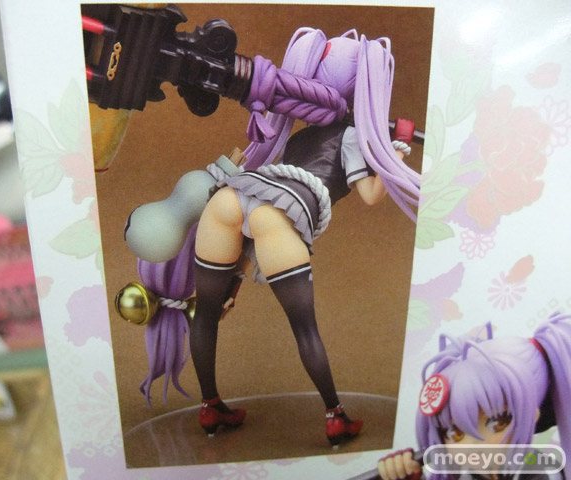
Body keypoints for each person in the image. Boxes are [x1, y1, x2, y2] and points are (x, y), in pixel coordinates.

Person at [186, 27, 420, 446]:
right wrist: (398, 147)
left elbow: (250, 215)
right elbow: (370, 196)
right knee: (304, 329)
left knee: (205, 313)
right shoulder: (354, 137)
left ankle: (210, 406)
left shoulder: (295, 134)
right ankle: (335, 416)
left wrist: (233, 283)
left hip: (231, 197)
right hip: (280, 212)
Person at [376, 312, 571, 479]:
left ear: (530, 415)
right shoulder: (467, 472)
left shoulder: (539, 469)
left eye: (496, 423)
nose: (471, 445)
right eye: (454, 434)